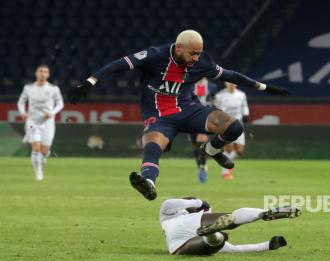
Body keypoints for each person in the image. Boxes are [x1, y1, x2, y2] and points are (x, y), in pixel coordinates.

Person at [68, 30, 290, 200]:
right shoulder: (155, 55)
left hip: (190, 110)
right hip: (159, 115)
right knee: (153, 146)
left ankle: (211, 149)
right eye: (192, 53)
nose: (196, 58)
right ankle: (149, 183)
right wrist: (89, 82)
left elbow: (231, 74)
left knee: (235, 127)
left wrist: (264, 87)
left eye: (199, 53)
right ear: (179, 48)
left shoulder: (202, 62)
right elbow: (118, 65)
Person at [160, 197, 301, 255]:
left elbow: (235, 249)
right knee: (231, 219)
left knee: (219, 239)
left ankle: (211, 233)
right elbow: (168, 204)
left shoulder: (168, 218)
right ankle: (262, 213)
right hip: (191, 226)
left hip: (179, 246)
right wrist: (198, 202)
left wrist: (267, 245)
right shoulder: (171, 215)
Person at [17, 64, 64, 181]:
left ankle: (43, 157)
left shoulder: (53, 89)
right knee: (36, 148)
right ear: (36, 73)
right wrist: (22, 112)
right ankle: (38, 173)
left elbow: (60, 104)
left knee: (44, 150)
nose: (42, 73)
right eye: (40, 71)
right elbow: (21, 102)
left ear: (48, 75)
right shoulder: (28, 88)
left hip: (48, 122)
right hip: (32, 121)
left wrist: (52, 113)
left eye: (45, 72)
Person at [214, 82, 249, 180]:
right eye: (229, 82)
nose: (232, 84)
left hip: (238, 124)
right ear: (225, 84)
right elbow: (215, 109)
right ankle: (225, 172)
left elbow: (244, 106)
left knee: (240, 150)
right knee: (228, 148)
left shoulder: (241, 95)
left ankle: (228, 163)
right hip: (225, 125)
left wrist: (246, 114)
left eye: (233, 82)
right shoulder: (220, 95)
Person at [189, 77, 218, 184]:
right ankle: (201, 164)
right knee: (195, 145)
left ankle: (202, 167)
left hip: (206, 117)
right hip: (191, 117)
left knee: (202, 141)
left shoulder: (212, 86)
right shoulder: (190, 85)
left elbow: (214, 101)